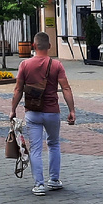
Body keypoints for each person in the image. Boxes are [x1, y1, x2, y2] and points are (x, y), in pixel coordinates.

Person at [11, 32, 75, 196]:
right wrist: (71, 110)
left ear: (33, 46)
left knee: (36, 149)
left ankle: (39, 185)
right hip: (52, 112)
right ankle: (54, 180)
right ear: (49, 46)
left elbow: (18, 89)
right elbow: (66, 88)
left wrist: (13, 110)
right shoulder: (56, 65)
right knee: (54, 144)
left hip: (32, 112)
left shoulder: (25, 64)